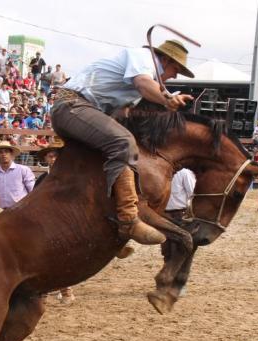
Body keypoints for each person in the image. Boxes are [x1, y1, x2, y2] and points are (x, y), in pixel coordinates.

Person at [51, 39, 194, 245]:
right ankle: (128, 220)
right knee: (123, 142)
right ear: (163, 59)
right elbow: (144, 84)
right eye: (175, 69)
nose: (174, 75)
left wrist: (165, 103)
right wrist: (167, 98)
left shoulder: (137, 80)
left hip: (77, 110)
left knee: (112, 152)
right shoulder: (142, 57)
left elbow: (123, 112)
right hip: (73, 106)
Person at [34, 139, 76, 304]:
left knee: (63, 257)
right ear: (45, 159)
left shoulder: (71, 178)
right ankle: (46, 290)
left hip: (65, 222)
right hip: (45, 223)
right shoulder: (42, 179)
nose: (52, 159)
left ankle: (66, 290)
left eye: (55, 156)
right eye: (49, 156)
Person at [0, 140, 35, 211]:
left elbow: (33, 190)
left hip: (22, 209)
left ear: (11, 154)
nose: (3, 154)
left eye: (6, 152)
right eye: (0, 152)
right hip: (4, 211)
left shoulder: (23, 170)